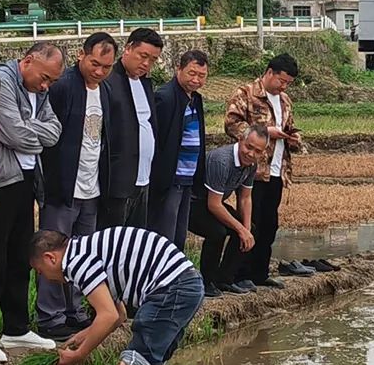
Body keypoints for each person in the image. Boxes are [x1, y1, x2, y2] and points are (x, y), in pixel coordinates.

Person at [29, 227, 206, 365]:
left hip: (171, 287)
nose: (44, 277)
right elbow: (119, 315)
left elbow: (108, 315)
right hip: (188, 285)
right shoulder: (88, 249)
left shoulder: (75, 262)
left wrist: (80, 354)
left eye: (40, 271)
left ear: (50, 257)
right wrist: (84, 336)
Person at [0, 42, 65, 363]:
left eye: (51, 81)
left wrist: (30, 127)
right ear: (27, 61)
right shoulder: (0, 82)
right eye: (44, 77)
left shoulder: (40, 91)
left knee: (19, 258)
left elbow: (55, 133)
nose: (46, 85)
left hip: (25, 183)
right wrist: (31, 131)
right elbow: (13, 133)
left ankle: (16, 327)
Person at [37, 32, 117, 341]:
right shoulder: (63, 87)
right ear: (81, 56)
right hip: (63, 187)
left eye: (106, 67)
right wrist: (51, 185)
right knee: (53, 252)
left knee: (83, 255)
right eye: (94, 63)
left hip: (91, 187)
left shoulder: (106, 91)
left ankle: (77, 311)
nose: (99, 71)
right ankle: (50, 315)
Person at [224, 54, 301, 291]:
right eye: (281, 80)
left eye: (288, 82)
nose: (283, 86)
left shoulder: (285, 100)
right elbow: (231, 123)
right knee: (250, 222)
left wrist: (294, 137)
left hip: (277, 170)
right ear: (269, 73)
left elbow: (289, 127)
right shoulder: (246, 93)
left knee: (269, 226)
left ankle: (260, 272)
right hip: (253, 171)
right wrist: (264, 132)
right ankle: (238, 274)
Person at [189, 126, 268, 297]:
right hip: (193, 204)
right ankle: (207, 282)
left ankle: (224, 279)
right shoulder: (221, 161)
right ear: (240, 139)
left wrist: (246, 229)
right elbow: (214, 205)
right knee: (217, 232)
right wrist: (240, 229)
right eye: (249, 147)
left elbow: (245, 198)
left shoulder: (251, 165)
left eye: (257, 151)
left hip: (212, 204)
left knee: (250, 230)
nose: (251, 154)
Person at [99, 28, 163, 229]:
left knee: (135, 241)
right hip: (117, 181)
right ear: (127, 49)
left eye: (152, 60)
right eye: (143, 56)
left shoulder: (145, 84)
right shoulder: (108, 83)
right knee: (114, 241)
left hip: (144, 177)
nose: (146, 64)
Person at [149, 50, 208, 251]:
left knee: (179, 234)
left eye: (201, 76)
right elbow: (158, 142)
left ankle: (176, 278)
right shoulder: (165, 98)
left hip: (187, 179)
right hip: (170, 179)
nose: (196, 79)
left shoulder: (194, 99)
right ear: (178, 69)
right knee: (165, 235)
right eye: (191, 73)